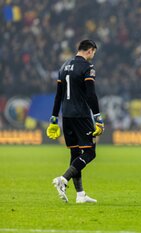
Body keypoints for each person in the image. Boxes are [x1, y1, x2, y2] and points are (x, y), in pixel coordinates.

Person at [46, 39, 104, 203]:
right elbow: (91, 94)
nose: (93, 56)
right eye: (93, 52)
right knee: (90, 152)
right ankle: (63, 179)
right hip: (81, 115)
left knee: (75, 153)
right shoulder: (87, 67)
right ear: (90, 50)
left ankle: (80, 195)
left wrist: (54, 119)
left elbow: (58, 96)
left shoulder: (63, 66)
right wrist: (98, 117)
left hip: (67, 116)